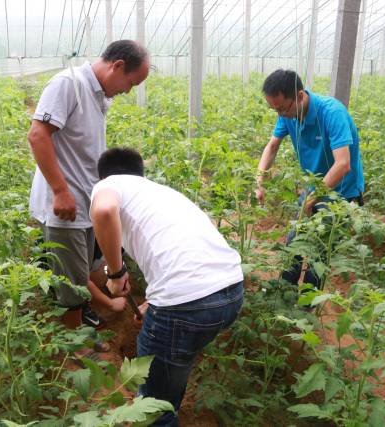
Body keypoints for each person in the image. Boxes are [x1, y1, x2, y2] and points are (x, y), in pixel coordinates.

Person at [90, 148, 244, 426]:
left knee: (152, 407)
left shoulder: (108, 185)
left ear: (103, 176)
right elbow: (186, 255)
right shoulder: (163, 193)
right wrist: (156, 303)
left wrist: (116, 272)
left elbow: (102, 210)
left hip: (187, 307)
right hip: (231, 292)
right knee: (171, 374)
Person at [27, 41, 150, 329]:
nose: (128, 91)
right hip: (66, 205)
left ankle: (85, 315)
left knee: (82, 269)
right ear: (117, 66)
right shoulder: (68, 84)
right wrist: (60, 191)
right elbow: (38, 135)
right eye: (130, 83)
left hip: (85, 201)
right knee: (70, 283)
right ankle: (75, 346)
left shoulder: (99, 95)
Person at [255, 69, 364, 289]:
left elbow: (343, 164)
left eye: (282, 108)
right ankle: (284, 293)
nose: (280, 114)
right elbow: (272, 146)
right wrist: (258, 181)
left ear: (300, 95)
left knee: (318, 250)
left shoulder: (332, 112)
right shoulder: (287, 114)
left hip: (342, 190)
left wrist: (312, 199)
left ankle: (308, 306)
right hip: (314, 187)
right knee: (295, 241)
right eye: (273, 109)